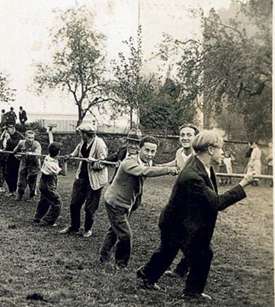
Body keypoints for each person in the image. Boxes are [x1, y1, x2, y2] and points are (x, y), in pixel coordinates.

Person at [136, 130, 256, 301]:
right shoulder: (193, 175)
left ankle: (146, 275)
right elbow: (217, 203)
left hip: (183, 221)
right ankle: (192, 292)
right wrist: (243, 184)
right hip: (176, 223)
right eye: (221, 148)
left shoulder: (201, 164)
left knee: (168, 251)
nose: (223, 152)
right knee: (202, 254)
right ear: (210, 150)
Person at [100, 134, 179, 269]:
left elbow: (156, 166)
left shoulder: (147, 162)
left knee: (114, 230)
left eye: (153, 151)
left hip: (126, 204)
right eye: (147, 150)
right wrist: (168, 170)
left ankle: (104, 256)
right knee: (125, 235)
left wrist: (176, 163)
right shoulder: (129, 162)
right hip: (115, 203)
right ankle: (121, 264)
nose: (149, 154)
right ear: (139, 149)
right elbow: (144, 171)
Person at [59, 123, 108, 238]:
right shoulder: (83, 142)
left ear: (87, 134)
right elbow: (78, 150)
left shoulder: (100, 144)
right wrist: (70, 155)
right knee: (74, 203)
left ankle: (88, 229)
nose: (80, 135)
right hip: (82, 177)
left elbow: (104, 163)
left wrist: (93, 162)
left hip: (95, 179)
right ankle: (74, 226)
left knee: (90, 207)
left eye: (82, 133)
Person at [163, 123, 199, 278]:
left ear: (196, 137)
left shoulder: (198, 156)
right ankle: (182, 269)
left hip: (195, 202)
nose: (185, 138)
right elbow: (173, 164)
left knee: (192, 237)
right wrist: (155, 167)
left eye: (189, 135)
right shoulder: (179, 152)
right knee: (177, 234)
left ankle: (183, 268)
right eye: (182, 135)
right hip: (179, 200)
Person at [33, 142, 66, 226]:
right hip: (48, 183)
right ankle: (48, 221)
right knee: (57, 202)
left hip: (44, 181)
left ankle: (38, 217)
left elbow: (55, 158)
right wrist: (65, 162)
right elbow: (64, 173)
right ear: (58, 152)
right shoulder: (51, 164)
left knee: (44, 200)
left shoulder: (48, 157)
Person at [0, 122, 24, 195]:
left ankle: (13, 190)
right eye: (5, 129)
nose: (6, 131)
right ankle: (10, 190)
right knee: (7, 174)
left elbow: (14, 146)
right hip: (8, 157)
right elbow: (2, 144)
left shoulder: (19, 136)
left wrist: (9, 138)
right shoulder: (6, 135)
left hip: (15, 158)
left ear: (13, 128)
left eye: (8, 129)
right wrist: (0, 149)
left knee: (14, 174)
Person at [14, 130, 42, 200]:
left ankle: (32, 195)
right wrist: (17, 155)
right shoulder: (21, 143)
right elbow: (15, 151)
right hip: (24, 163)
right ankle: (20, 194)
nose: (30, 140)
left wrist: (31, 153)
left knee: (32, 181)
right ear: (25, 137)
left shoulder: (36, 144)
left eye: (32, 138)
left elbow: (38, 154)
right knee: (21, 180)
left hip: (34, 164)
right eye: (29, 138)